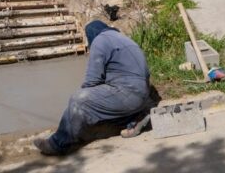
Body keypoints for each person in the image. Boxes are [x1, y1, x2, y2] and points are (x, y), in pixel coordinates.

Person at [34, 20, 151, 156]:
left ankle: (57, 144)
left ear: (91, 35)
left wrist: (78, 104)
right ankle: (134, 121)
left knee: (80, 99)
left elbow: (92, 81)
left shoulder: (100, 40)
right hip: (142, 94)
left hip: (128, 93)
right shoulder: (123, 38)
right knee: (102, 102)